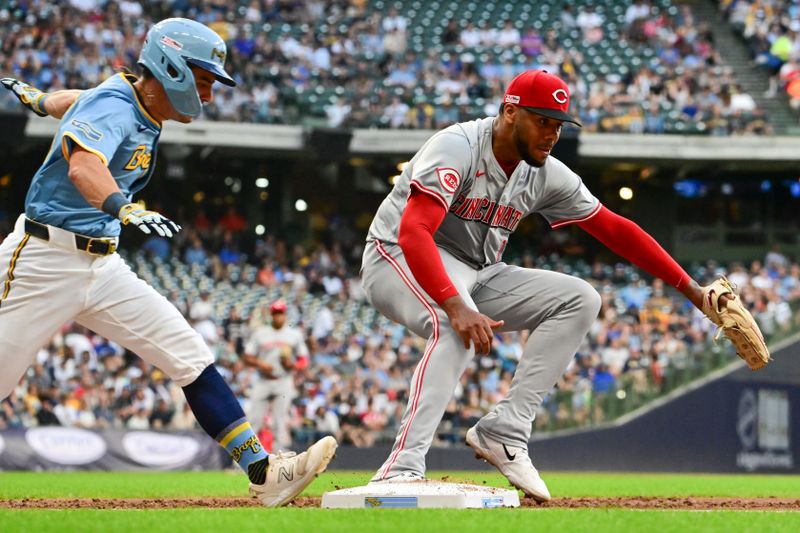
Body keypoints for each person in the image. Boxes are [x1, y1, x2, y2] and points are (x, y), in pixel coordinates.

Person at [0, 18, 335, 507]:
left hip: (101, 263)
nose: (210, 95)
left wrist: (38, 100)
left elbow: (79, 101)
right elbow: (83, 164)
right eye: (204, 80)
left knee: (190, 356)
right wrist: (125, 207)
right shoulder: (118, 103)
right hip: (43, 259)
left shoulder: (123, 96)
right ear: (171, 67)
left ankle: (264, 474)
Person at [360, 69, 731, 501]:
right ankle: (399, 469)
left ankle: (507, 429)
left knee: (580, 299)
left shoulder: (544, 172)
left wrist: (692, 290)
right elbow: (414, 232)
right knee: (450, 325)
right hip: (396, 257)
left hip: (477, 270)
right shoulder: (457, 146)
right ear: (510, 112)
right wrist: (455, 306)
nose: (552, 133)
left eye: (558, 124)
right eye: (542, 121)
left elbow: (615, 229)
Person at [242, 299, 308, 451]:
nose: (278, 317)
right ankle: (247, 460)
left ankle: (281, 459)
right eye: (275, 313)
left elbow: (304, 360)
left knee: (280, 422)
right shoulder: (260, 333)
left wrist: (293, 365)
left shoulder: (294, 334)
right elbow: (247, 356)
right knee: (254, 420)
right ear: (271, 315)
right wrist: (260, 363)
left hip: (283, 380)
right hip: (263, 380)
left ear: (284, 315)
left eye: (280, 313)